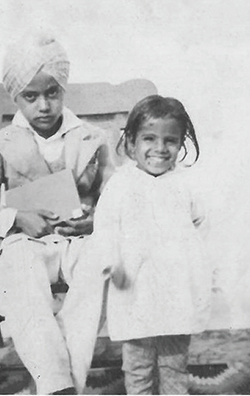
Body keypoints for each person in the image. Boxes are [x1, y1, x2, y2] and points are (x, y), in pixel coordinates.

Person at [0, 33, 115, 395]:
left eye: (52, 93)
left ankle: (62, 386)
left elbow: (118, 198)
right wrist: (17, 217)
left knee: (98, 269)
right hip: (28, 240)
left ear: (63, 90)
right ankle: (58, 385)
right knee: (18, 272)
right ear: (16, 97)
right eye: (30, 97)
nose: (44, 106)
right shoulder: (1, 143)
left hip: (79, 239)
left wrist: (95, 219)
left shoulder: (92, 138)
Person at [93, 95, 212, 395]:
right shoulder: (120, 185)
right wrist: (112, 264)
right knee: (138, 366)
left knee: (174, 365)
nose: (160, 149)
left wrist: (198, 266)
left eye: (170, 141)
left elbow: (202, 225)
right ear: (131, 141)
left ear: (181, 143)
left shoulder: (186, 183)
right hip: (135, 290)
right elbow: (104, 230)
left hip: (177, 292)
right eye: (149, 138)